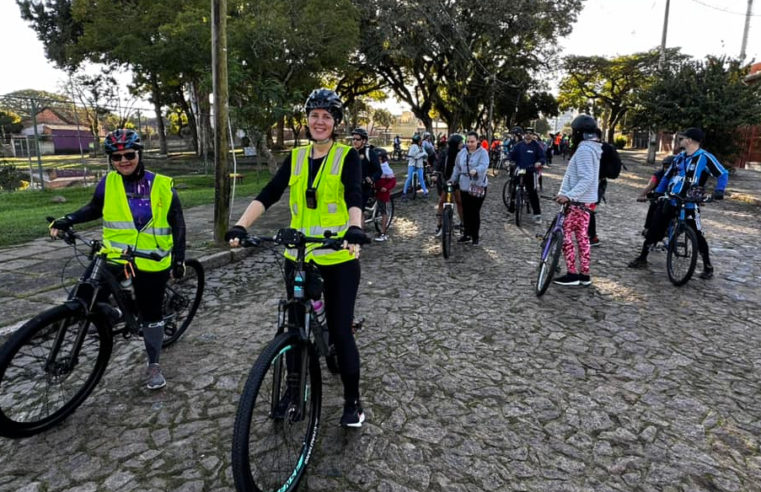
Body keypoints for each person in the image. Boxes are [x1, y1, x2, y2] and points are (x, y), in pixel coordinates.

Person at [224, 88, 369, 427]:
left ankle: (352, 401)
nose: (320, 121)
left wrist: (354, 228)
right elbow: (269, 193)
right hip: (299, 255)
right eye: (314, 115)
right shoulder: (297, 157)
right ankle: (292, 390)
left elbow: (354, 194)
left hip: (338, 256)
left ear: (336, 123)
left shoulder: (347, 156)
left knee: (340, 330)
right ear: (306, 120)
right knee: (294, 323)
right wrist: (240, 226)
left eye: (327, 116)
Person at [48, 129, 186, 390]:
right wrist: (69, 219)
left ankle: (153, 363)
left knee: (151, 313)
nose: (123, 160)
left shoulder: (161, 184)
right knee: (84, 293)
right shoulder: (108, 182)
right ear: (110, 159)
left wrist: (179, 259)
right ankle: (114, 313)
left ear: (139, 154)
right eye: (116, 156)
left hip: (151, 258)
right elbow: (94, 209)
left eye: (129, 154)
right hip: (113, 254)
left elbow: (177, 223)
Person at [627, 128, 728, 279]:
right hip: (671, 198)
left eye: (682, 138)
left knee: (698, 235)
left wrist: (719, 191)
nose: (680, 140)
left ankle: (708, 266)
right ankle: (642, 257)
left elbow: (723, 173)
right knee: (655, 228)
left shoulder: (705, 157)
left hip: (690, 202)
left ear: (689, 140)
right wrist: (659, 193)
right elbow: (666, 177)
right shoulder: (679, 157)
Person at [553, 115, 601, 287]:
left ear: (579, 132)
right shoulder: (593, 148)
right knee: (582, 238)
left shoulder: (584, 150)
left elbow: (586, 178)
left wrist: (569, 196)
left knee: (565, 235)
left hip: (578, 203)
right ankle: (584, 275)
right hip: (586, 202)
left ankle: (572, 273)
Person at [450, 131, 489, 245]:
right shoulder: (461, 153)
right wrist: (453, 179)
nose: (470, 144)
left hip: (478, 185)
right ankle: (466, 234)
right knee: (466, 211)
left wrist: (476, 170)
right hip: (464, 186)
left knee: (474, 211)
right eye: (468, 141)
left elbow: (484, 165)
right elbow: (457, 167)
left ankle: (475, 236)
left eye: (472, 141)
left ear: (477, 141)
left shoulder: (483, 153)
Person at [587, 128, 623, 247]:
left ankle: (593, 237)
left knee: (589, 210)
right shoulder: (590, 147)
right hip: (593, 182)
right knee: (584, 208)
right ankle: (587, 234)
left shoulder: (602, 148)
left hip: (597, 183)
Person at [508, 129, 545, 224]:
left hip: (531, 171)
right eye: (526, 133)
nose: (528, 135)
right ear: (523, 134)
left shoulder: (536, 146)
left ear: (533, 135)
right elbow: (511, 154)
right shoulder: (518, 145)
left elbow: (542, 157)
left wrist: (539, 162)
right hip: (519, 169)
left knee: (532, 192)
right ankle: (511, 211)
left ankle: (537, 215)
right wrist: (507, 160)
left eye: (530, 134)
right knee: (513, 189)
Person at [433, 134, 465, 236]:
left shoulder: (463, 154)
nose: (462, 144)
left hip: (458, 181)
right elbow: (438, 163)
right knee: (442, 201)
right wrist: (435, 173)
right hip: (446, 180)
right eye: (460, 143)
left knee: (460, 202)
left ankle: (463, 224)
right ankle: (439, 225)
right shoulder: (445, 153)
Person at [637, 155, 675, 236]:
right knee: (654, 205)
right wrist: (642, 195)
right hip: (659, 196)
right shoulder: (658, 175)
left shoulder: (682, 176)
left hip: (675, 197)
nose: (667, 169)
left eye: (670, 167)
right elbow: (650, 185)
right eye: (666, 167)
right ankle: (648, 227)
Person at [351, 128, 381, 209]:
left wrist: (371, 178)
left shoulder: (369, 152)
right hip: (353, 186)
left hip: (365, 187)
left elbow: (379, 170)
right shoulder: (351, 152)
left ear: (364, 141)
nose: (354, 141)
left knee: (359, 210)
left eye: (357, 139)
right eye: (353, 139)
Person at [374, 149, 397, 242]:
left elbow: (393, 181)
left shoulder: (386, 168)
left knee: (383, 211)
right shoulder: (374, 166)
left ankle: (383, 232)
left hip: (382, 192)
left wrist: (386, 187)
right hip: (374, 190)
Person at [403, 134, 429, 198]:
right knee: (409, 178)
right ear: (417, 141)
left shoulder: (422, 147)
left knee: (421, 179)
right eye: (420, 140)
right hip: (412, 164)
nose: (421, 141)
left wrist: (422, 155)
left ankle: (425, 192)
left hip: (419, 165)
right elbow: (411, 154)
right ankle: (404, 193)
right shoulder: (413, 146)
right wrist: (420, 153)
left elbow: (425, 154)